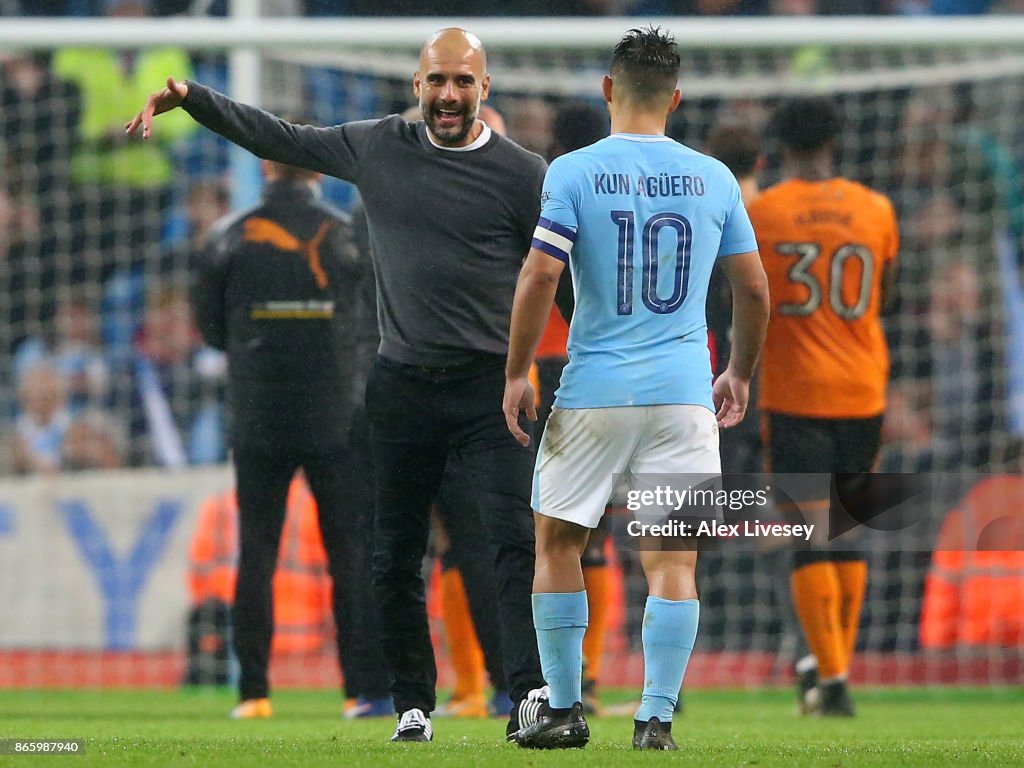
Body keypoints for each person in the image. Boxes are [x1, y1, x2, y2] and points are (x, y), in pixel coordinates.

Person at [128, 27, 549, 742]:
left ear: (485, 88)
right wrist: (194, 98)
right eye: (437, 80)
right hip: (402, 384)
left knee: (509, 542)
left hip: (491, 387)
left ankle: (529, 695)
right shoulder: (378, 145)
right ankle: (411, 705)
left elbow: (559, 278)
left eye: (463, 81)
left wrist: (554, 369)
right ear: (417, 85)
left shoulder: (523, 173)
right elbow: (279, 137)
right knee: (394, 554)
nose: (449, 94)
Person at [502, 27, 769, 750]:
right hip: (683, 393)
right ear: (675, 99)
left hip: (593, 389)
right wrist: (739, 371)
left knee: (558, 543)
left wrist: (517, 370)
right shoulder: (714, 177)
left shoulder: (572, 171)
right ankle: (655, 719)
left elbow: (541, 273)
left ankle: (563, 709)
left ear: (607, 90)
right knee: (673, 560)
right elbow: (752, 288)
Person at [190, 154, 391, 719]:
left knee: (256, 551)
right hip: (335, 413)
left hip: (259, 412)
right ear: (318, 172)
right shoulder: (348, 234)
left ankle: (254, 692)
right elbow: (372, 319)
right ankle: (360, 690)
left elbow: (211, 329)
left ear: (264, 168)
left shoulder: (226, 236)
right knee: (349, 554)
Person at [746, 97, 899, 717]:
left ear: (780, 146)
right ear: (836, 141)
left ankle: (831, 679)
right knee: (849, 529)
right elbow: (885, 292)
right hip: (864, 388)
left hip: (794, 393)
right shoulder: (877, 209)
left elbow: (745, 296)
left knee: (810, 533)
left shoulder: (763, 212)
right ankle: (837, 673)